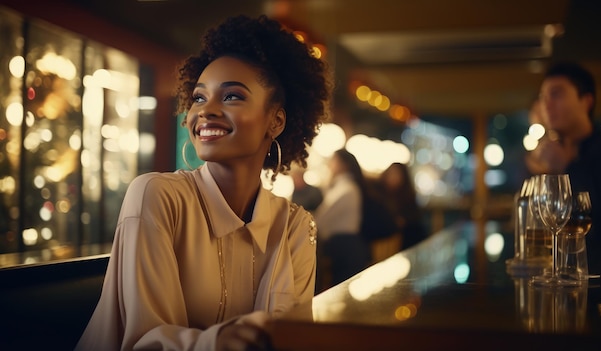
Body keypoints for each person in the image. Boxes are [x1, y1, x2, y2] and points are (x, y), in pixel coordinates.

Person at [75, 14, 332, 351]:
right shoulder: (156, 196)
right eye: (198, 97)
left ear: (276, 120)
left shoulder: (296, 226)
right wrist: (218, 341)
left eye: (231, 97)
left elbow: (292, 338)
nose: (205, 111)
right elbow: (143, 341)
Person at [532, 61, 601, 285]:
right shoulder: (554, 149)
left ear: (586, 101)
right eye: (544, 97)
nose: (547, 104)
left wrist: (567, 166)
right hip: (564, 275)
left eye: (556, 94)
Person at [314, 149, 370, 288]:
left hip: (344, 247)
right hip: (347, 245)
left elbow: (320, 219)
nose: (329, 164)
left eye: (333, 161)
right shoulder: (345, 187)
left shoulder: (345, 188)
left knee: (340, 289)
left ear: (344, 165)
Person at [377, 162, 427, 250]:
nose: (393, 177)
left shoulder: (408, 197)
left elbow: (414, 218)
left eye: (396, 173)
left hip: (407, 242)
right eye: (391, 173)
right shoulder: (379, 195)